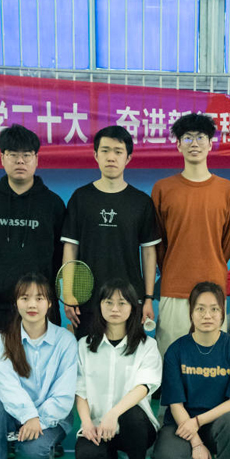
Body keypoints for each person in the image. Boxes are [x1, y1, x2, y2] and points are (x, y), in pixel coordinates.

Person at [153, 281, 230, 459]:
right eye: (200, 309)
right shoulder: (176, 350)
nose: (207, 315)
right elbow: (175, 404)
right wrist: (196, 442)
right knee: (167, 455)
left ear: (223, 313)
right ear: (191, 313)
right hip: (182, 424)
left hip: (218, 423)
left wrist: (198, 422)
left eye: (214, 309)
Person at [152, 113, 230, 356]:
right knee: (170, 358)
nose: (194, 144)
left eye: (201, 137)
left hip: (214, 289)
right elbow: (158, 243)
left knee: (212, 361)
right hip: (174, 288)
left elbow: (227, 243)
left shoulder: (227, 190)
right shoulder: (162, 189)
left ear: (211, 144)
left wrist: (209, 262)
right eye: (187, 138)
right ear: (178, 145)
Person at [61, 126, 160, 338]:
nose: (111, 157)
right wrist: (68, 293)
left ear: (128, 158)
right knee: (88, 354)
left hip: (129, 300)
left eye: (118, 151)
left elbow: (148, 253)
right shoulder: (81, 198)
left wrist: (148, 298)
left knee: (129, 354)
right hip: (87, 300)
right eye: (105, 150)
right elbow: (70, 248)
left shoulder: (141, 202)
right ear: (96, 155)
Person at [0, 124, 66, 344]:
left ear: (36, 159)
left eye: (26, 155)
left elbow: (60, 256)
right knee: (0, 362)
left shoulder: (53, 204)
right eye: (13, 155)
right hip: (1, 304)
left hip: (42, 305)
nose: (20, 161)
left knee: (45, 363)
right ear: (2, 158)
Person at [0, 273, 77, 459]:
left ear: (50, 303)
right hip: (17, 413)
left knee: (34, 450)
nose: (32, 305)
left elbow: (64, 394)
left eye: (39, 298)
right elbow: (8, 388)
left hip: (52, 418)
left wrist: (39, 420)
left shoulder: (65, 341)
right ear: (16, 303)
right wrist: (28, 416)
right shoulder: (1, 341)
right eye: (25, 298)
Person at [74, 280, 161, 459]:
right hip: (99, 427)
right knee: (86, 456)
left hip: (136, 427)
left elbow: (144, 386)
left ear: (132, 307)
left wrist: (113, 414)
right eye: (108, 302)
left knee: (131, 414)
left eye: (122, 303)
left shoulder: (147, 346)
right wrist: (86, 423)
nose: (115, 308)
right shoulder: (84, 345)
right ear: (100, 306)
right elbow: (80, 390)